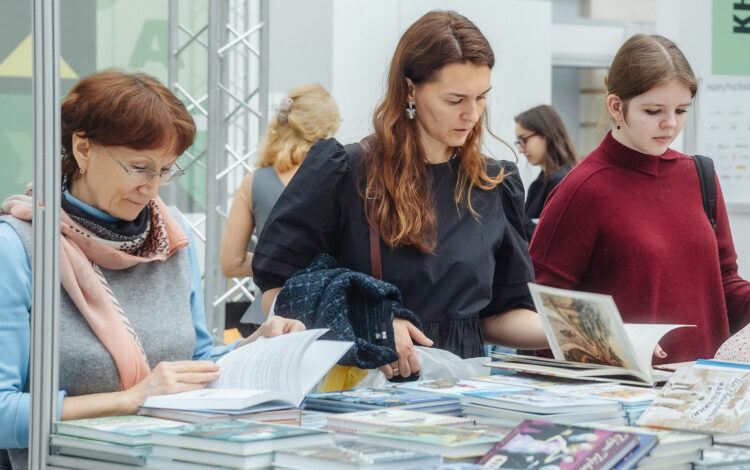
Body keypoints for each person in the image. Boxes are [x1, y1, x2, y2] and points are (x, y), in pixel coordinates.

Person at [0, 70, 305, 466]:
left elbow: (194, 360)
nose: (153, 187)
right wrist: (129, 399)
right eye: (140, 168)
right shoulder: (19, 247)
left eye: (167, 170)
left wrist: (257, 345)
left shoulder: (170, 235)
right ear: (83, 149)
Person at [251, 10, 549, 380]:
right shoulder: (345, 172)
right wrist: (366, 319)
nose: (472, 115)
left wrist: (585, 335)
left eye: (482, 97)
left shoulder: (495, 183)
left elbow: (498, 316)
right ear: (410, 89)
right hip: (365, 397)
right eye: (455, 99)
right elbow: (278, 295)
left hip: (464, 397)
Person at [529, 34, 750, 364]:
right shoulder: (582, 189)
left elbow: (722, 283)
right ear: (616, 106)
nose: (670, 123)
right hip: (620, 398)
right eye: (653, 110)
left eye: (681, 110)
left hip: (703, 391)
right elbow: (542, 310)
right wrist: (615, 343)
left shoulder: (698, 176)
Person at [219, 84, 340, 326]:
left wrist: (274, 262)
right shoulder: (342, 176)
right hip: (328, 313)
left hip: (267, 318)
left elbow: (230, 263)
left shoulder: (255, 182)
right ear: (327, 128)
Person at [514, 104, 578, 239]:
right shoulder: (545, 181)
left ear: (546, 134)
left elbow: (550, 239)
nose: (520, 149)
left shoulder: (561, 181)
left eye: (523, 140)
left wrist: (515, 214)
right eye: (518, 142)